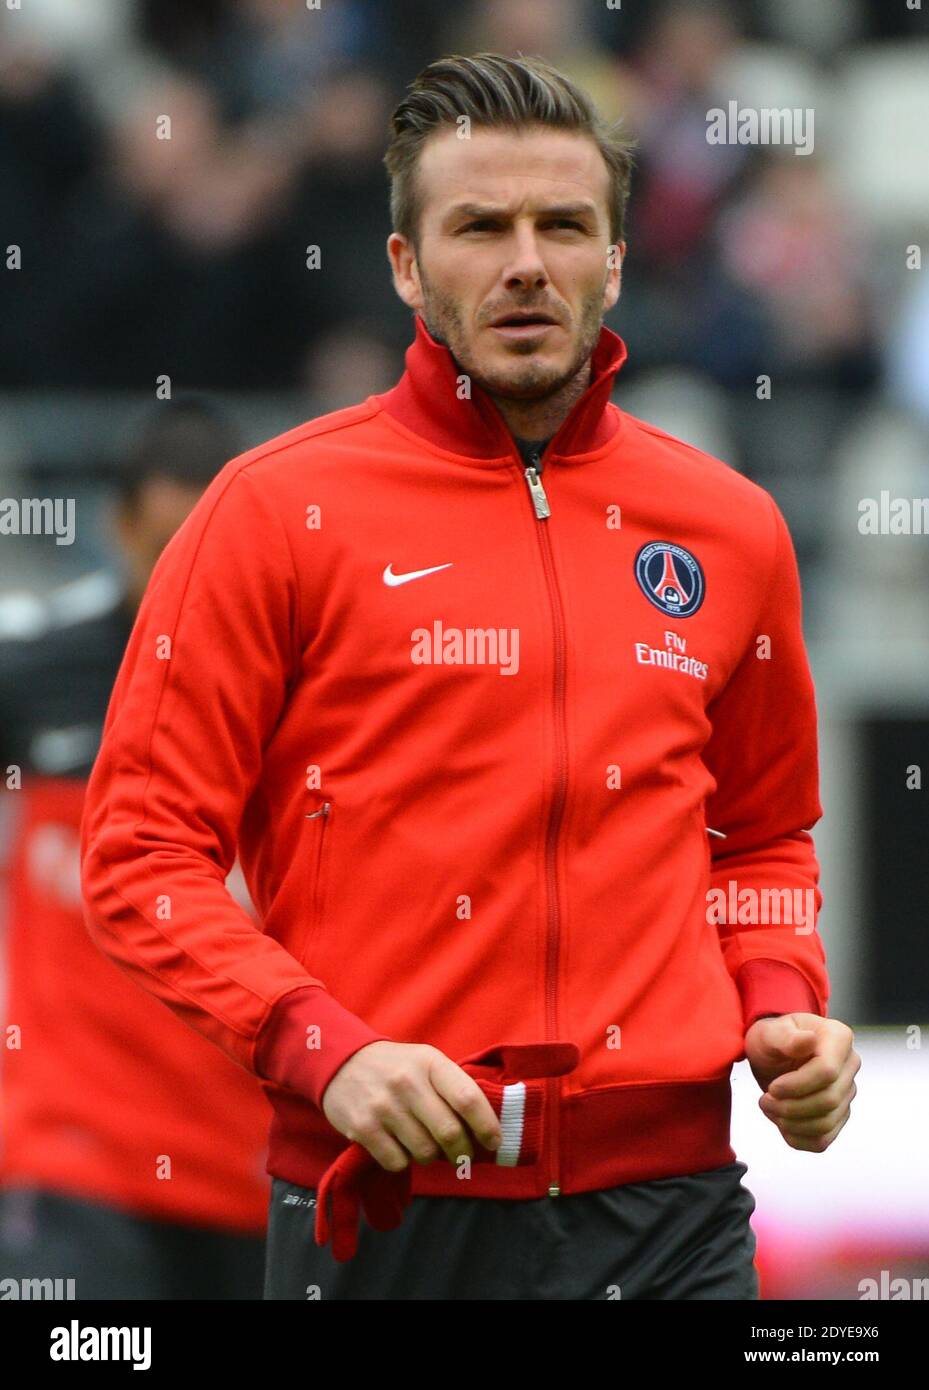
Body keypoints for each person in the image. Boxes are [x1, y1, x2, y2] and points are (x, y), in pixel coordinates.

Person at [80, 55, 860, 1301]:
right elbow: (140, 854)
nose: (524, 263)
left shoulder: (729, 526)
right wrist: (324, 1050)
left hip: (668, 1214)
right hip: (383, 1205)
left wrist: (775, 999)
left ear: (613, 261)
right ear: (403, 266)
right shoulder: (270, 511)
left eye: (563, 226)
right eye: (478, 227)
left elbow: (761, 837)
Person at [0, 398, 270, 1299]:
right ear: (117, 531)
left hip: (257, 1168)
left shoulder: (311, 697)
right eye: (162, 549)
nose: (185, 580)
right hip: (76, 1154)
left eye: (209, 550)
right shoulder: (36, 682)